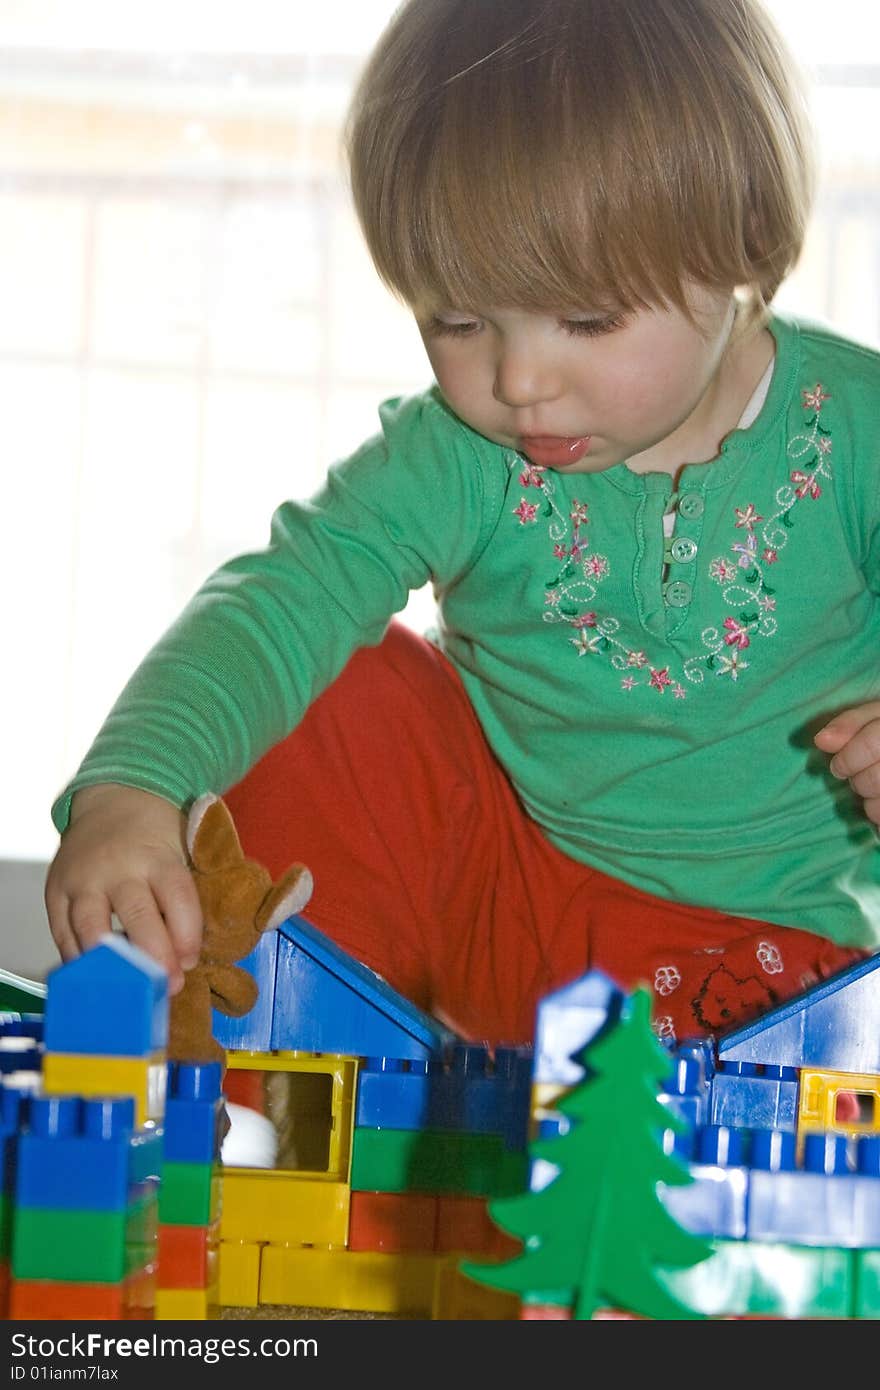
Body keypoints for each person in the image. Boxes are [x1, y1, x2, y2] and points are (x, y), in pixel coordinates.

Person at [44, 0, 880, 1051]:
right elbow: (281, 598)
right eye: (458, 319)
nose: (520, 380)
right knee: (341, 678)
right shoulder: (456, 453)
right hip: (488, 898)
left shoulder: (857, 436)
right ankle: (271, 1105)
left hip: (756, 968)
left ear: (743, 249)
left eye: (586, 319)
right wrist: (131, 787)